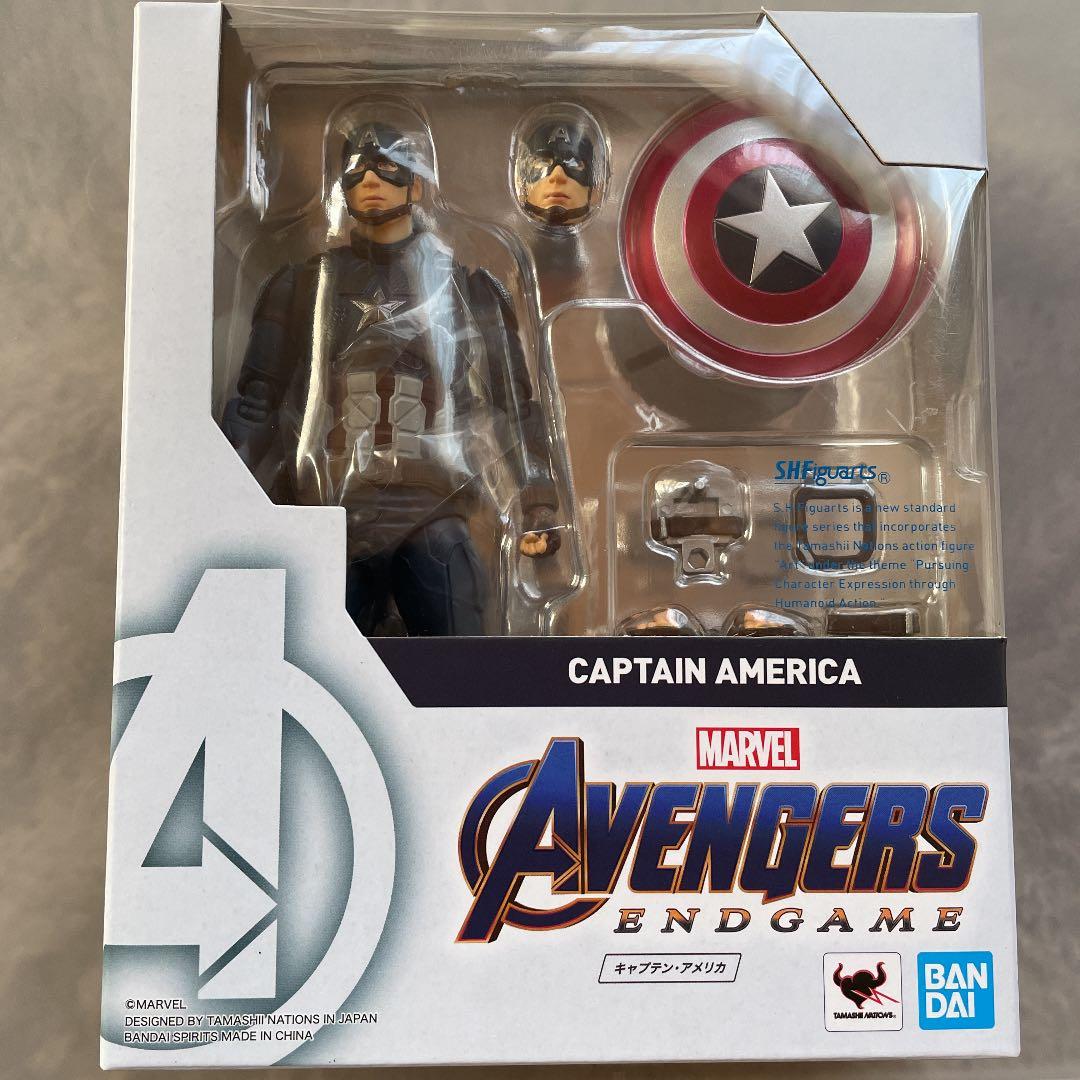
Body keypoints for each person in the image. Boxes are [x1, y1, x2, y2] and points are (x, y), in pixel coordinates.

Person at [222, 108, 563, 635]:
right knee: (313, 654)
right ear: (342, 185)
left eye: (387, 167)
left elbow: (512, 405)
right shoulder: (302, 286)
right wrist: (227, 493)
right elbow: (256, 401)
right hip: (330, 511)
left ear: (417, 184)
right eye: (357, 170)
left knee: (462, 651)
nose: (371, 180)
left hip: (429, 507)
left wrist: (535, 499)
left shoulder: (467, 289)